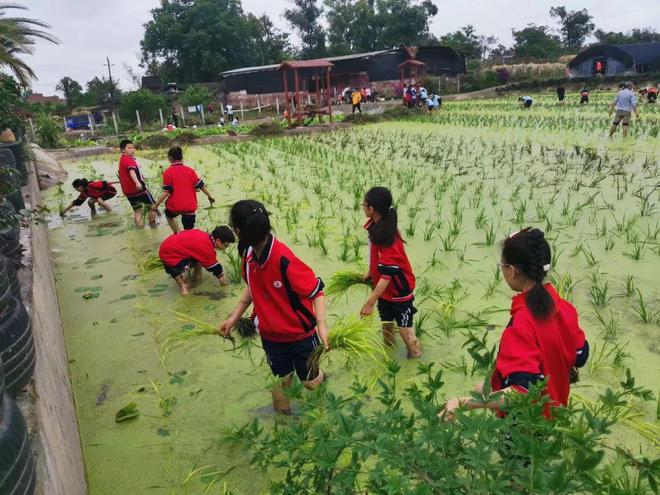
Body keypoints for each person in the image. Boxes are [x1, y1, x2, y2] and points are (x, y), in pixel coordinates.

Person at [440, 228, 589, 421]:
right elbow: (581, 355)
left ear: (512, 271)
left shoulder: (521, 324)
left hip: (528, 424)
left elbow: (521, 393)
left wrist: (461, 403)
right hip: (556, 411)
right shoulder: (565, 308)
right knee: (480, 387)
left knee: (482, 397)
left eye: (502, 264)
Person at [218, 200, 328, 414]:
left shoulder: (284, 260)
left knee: (309, 382)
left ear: (238, 231)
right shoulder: (248, 257)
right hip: (271, 337)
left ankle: (320, 378)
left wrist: (322, 325)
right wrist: (233, 318)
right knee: (280, 383)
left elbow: (317, 291)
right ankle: (285, 428)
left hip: (300, 336)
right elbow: (253, 288)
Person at [360, 187, 421, 358]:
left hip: (399, 291)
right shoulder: (376, 226)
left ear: (371, 209)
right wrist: (370, 272)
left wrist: (369, 303)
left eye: (364, 204)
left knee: (405, 332)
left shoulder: (389, 237)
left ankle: (416, 359)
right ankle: (390, 357)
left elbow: (388, 275)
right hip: (385, 292)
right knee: (386, 325)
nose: (363, 207)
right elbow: (377, 256)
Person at [152, 146, 215, 233]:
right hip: (190, 207)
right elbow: (201, 186)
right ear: (182, 157)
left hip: (175, 206)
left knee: (168, 214)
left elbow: (166, 192)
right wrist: (210, 196)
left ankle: (176, 233)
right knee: (188, 231)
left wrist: (156, 204)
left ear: (170, 158)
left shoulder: (168, 172)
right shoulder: (190, 171)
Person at [159, 226, 234, 296]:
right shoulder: (207, 249)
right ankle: (184, 290)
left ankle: (196, 277)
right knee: (185, 287)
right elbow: (217, 269)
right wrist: (225, 285)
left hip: (168, 246)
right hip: (170, 256)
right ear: (218, 240)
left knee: (198, 258)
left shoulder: (204, 236)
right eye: (226, 245)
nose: (225, 248)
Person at [118, 139, 157, 228]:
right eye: (129, 148)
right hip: (139, 190)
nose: (132, 149)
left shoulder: (123, 159)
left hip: (129, 192)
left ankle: (140, 230)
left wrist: (142, 177)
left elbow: (131, 173)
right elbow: (131, 171)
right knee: (153, 206)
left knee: (137, 211)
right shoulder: (128, 159)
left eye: (133, 147)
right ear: (123, 150)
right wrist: (137, 183)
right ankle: (153, 225)